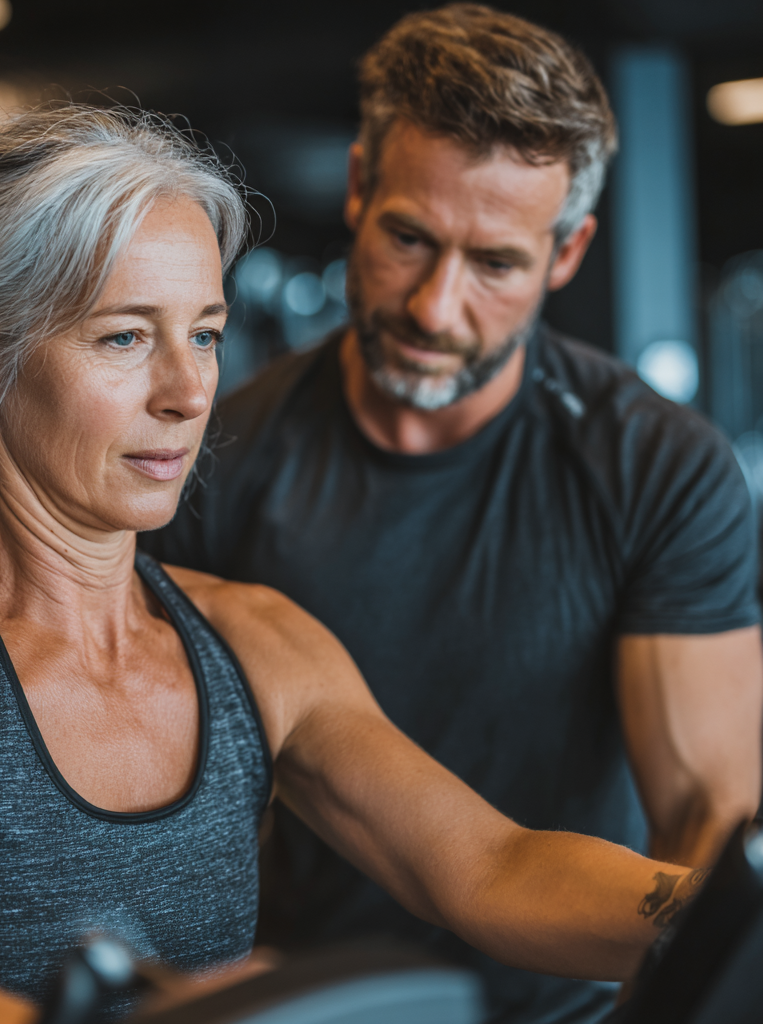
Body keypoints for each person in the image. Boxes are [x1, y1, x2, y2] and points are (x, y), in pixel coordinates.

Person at [0, 104, 709, 1024]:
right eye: (125, 337)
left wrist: (719, 915)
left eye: (202, 334)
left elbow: (490, 868)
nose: (187, 391)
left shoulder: (254, 642)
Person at [140, 6, 763, 1023]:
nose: (435, 306)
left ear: (566, 255)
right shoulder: (215, 460)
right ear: (356, 189)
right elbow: (183, 811)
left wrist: (700, 984)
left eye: (495, 264)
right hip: (325, 1002)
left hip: (578, 1007)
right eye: (408, 239)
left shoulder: (655, 465)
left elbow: (702, 814)